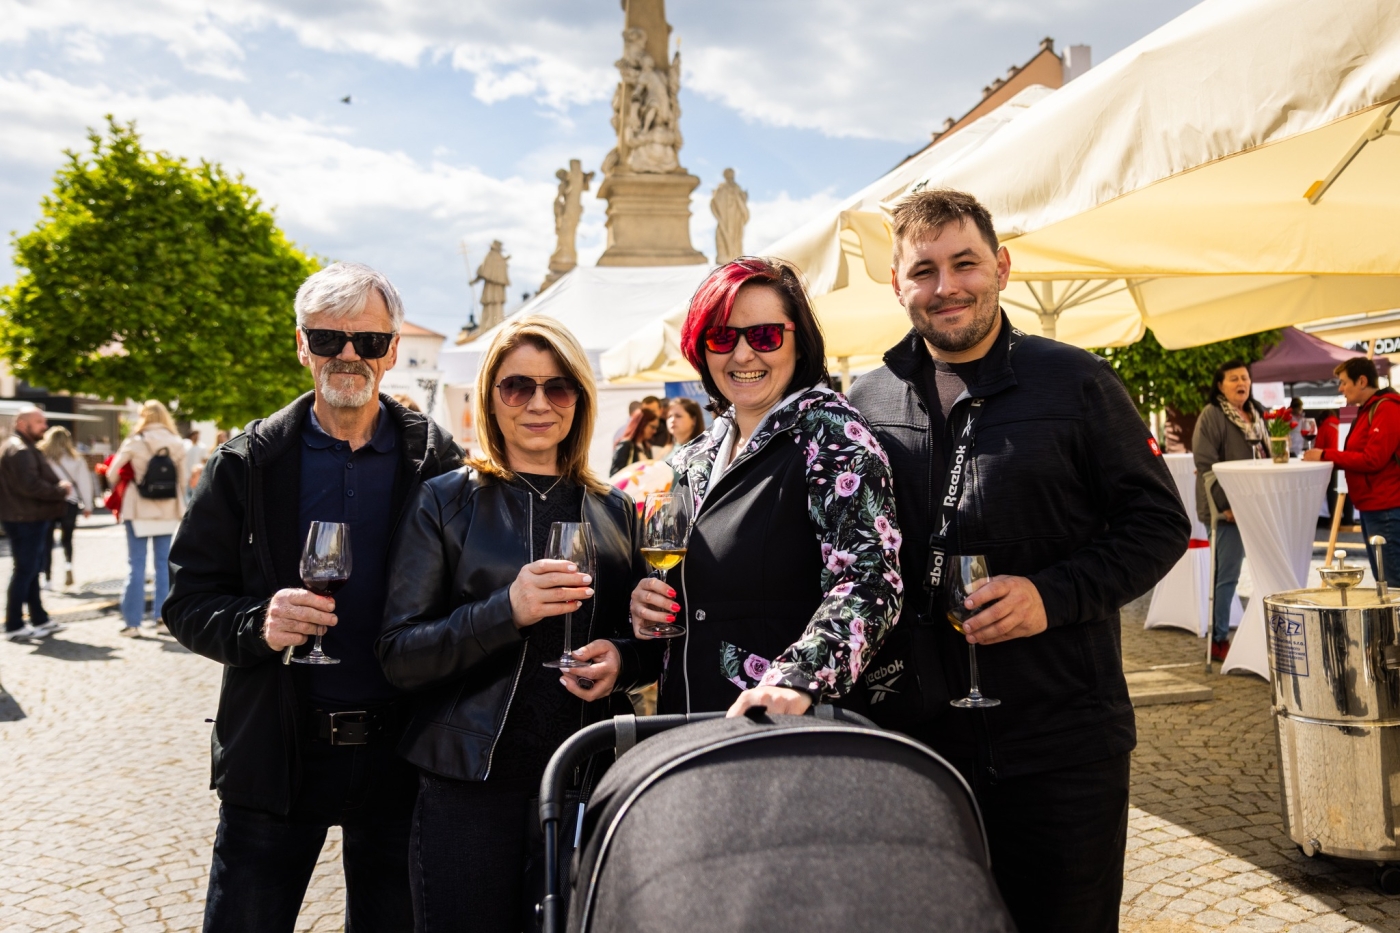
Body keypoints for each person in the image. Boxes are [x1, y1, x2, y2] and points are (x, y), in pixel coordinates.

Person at [844, 189, 1189, 933]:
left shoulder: (1077, 381)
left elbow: (1160, 523)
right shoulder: (865, 402)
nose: (946, 287)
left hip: (1062, 739)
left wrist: (1050, 595)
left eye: (964, 263)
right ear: (897, 284)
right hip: (916, 741)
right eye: (924, 271)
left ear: (1001, 267)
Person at [165, 262, 460, 933]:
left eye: (369, 340)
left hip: (400, 752)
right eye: (328, 338)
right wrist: (256, 623)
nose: (348, 355)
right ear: (302, 345)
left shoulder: (437, 461)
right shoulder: (246, 461)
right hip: (277, 748)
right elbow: (186, 601)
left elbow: (472, 592)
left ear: (391, 350)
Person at [378, 315, 652, 933]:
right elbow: (399, 654)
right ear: (491, 398)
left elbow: (643, 643)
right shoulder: (446, 501)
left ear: (579, 399)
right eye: (517, 386)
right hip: (471, 790)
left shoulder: (614, 510)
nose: (538, 403)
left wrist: (625, 659)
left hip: (588, 781)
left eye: (558, 387)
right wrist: (507, 611)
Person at [628, 257, 903, 719]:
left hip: (782, 727)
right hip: (689, 724)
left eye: (764, 335)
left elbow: (872, 582)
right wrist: (645, 604)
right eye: (721, 337)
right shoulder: (696, 454)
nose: (742, 355)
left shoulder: (833, 435)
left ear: (799, 342)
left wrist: (799, 678)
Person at [1193, 360, 1269, 661]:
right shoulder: (1212, 415)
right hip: (1227, 511)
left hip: (1258, 506)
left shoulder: (1257, 413)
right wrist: (1229, 506)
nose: (1242, 383)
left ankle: (1265, 634)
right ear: (1220, 385)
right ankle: (1219, 639)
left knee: (1266, 570)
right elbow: (1206, 465)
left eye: (1245, 377)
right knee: (1227, 576)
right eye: (1234, 378)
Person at [1304, 357, 1400, 586]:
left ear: (1362, 381)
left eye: (1344, 382)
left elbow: (1373, 460)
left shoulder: (1386, 408)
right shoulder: (1371, 408)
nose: (1341, 388)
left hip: (1385, 508)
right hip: (1373, 506)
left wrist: (1326, 455)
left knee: (1392, 583)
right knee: (1384, 580)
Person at [110, 400, 187, 635]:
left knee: (136, 565)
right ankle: (162, 620)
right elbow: (183, 480)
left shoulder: (135, 441)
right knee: (163, 565)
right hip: (167, 508)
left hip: (138, 507)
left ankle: (132, 623)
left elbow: (112, 473)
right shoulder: (176, 442)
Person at [0, 406, 72, 639]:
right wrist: (59, 490)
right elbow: (30, 485)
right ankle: (14, 624)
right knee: (25, 570)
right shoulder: (19, 449)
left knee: (30, 570)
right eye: (39, 422)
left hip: (28, 516)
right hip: (25, 518)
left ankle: (39, 618)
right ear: (22, 424)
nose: (45, 426)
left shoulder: (22, 446)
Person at [38, 426, 94, 588]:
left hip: (48, 501)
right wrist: (88, 505)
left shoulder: (42, 456)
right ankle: (68, 565)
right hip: (70, 501)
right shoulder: (75, 458)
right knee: (67, 538)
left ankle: (47, 578)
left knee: (47, 541)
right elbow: (84, 482)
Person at [609, 406, 656, 474]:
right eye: (652, 427)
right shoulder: (625, 445)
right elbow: (615, 474)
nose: (654, 431)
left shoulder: (646, 447)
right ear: (642, 424)